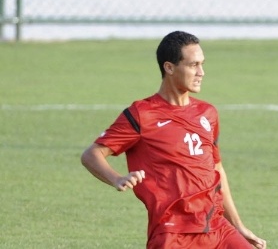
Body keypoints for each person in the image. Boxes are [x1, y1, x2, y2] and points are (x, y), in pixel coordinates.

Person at [81, 31, 267, 249]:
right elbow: (91, 154)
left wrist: (238, 225)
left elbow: (216, 169)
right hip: (173, 233)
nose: (201, 72)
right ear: (169, 67)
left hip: (217, 227)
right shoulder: (142, 114)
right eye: (193, 65)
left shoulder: (207, 113)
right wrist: (116, 178)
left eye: (202, 64)